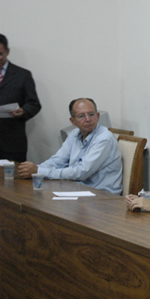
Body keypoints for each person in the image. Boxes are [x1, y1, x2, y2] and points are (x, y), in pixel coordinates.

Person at [16, 98, 123, 194]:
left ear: (98, 116)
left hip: (102, 196)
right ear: (73, 121)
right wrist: (35, 170)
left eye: (91, 114)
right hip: (78, 190)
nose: (88, 119)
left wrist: (40, 171)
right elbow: (57, 160)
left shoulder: (104, 138)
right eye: (81, 116)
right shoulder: (74, 134)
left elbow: (82, 172)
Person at [0, 34, 41, 162]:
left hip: (12, 142)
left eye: (0, 54)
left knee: (14, 180)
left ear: (7, 51)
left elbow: (34, 104)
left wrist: (23, 111)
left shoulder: (22, 75)